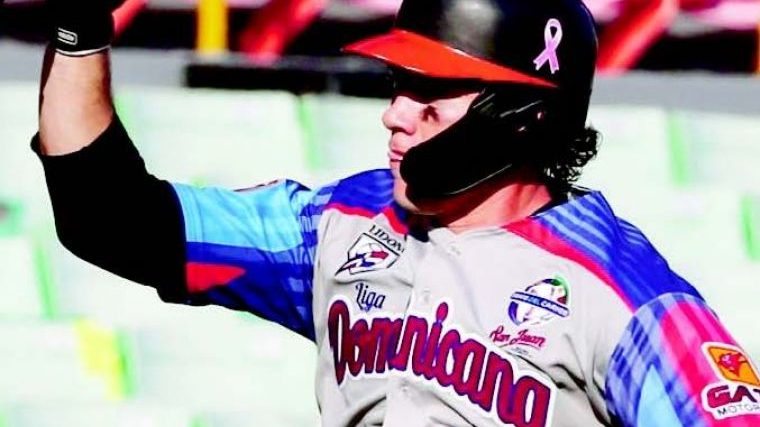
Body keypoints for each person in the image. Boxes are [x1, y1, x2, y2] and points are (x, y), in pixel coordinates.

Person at [35, 0, 760, 425]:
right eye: (397, 83)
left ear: (522, 115)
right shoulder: (345, 223)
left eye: (430, 92)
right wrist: (78, 29)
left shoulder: (624, 296)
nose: (395, 114)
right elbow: (111, 218)